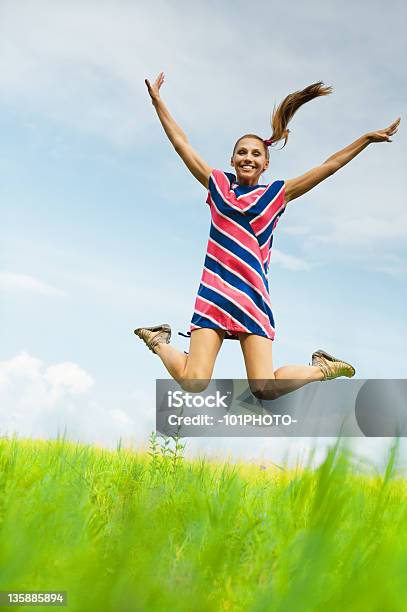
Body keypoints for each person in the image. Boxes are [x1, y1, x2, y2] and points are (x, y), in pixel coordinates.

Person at [134, 71, 400, 400]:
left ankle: (322, 367)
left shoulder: (277, 195)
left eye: (256, 154)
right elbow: (181, 144)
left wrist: (364, 140)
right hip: (214, 295)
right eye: (242, 153)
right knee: (195, 381)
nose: (248, 157)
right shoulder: (217, 185)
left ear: (266, 164)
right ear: (232, 160)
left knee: (264, 388)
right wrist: (158, 102)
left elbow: (328, 166)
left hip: (252, 298)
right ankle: (159, 340)